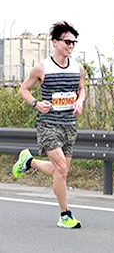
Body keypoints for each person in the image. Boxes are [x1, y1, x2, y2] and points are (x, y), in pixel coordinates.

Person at [12, 21, 86, 229]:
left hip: (69, 125)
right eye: (67, 41)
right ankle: (65, 215)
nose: (70, 46)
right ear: (55, 42)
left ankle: (29, 162)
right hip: (48, 125)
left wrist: (79, 102)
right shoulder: (42, 68)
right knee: (61, 169)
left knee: (60, 172)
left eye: (73, 42)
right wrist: (36, 103)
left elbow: (82, 90)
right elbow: (23, 89)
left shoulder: (77, 67)